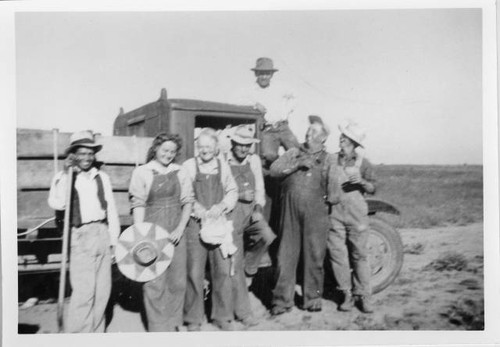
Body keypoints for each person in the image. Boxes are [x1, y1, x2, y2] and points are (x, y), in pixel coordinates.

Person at [48, 130, 120, 333]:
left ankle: (95, 334)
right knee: (84, 292)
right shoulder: (64, 176)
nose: (86, 158)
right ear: (73, 155)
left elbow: (111, 209)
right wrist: (66, 175)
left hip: (102, 232)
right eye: (81, 153)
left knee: (102, 291)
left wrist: (113, 241)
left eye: (90, 153)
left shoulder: (102, 177)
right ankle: (78, 336)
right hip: (80, 235)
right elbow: (58, 203)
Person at [269, 116, 340, 315]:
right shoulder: (293, 152)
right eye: (308, 131)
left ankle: (313, 299)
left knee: (315, 256)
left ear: (324, 138)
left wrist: (323, 202)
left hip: (316, 213)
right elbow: (274, 171)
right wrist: (297, 165)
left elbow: (334, 194)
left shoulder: (329, 159)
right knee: (285, 255)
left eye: (315, 132)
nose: (309, 134)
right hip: (289, 211)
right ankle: (282, 301)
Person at [128, 133, 193, 331]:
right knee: (154, 281)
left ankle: (174, 323)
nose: (168, 155)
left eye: (173, 151)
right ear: (155, 149)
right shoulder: (143, 172)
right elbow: (137, 204)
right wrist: (141, 235)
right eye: (165, 150)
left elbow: (188, 202)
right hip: (152, 232)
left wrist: (180, 228)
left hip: (176, 233)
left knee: (178, 281)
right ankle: (158, 327)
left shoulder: (180, 172)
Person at [182, 128, 239, 331]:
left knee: (222, 271)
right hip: (195, 225)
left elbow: (232, 191)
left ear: (216, 148)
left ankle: (222, 316)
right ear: (197, 147)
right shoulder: (189, 166)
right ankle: (193, 318)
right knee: (194, 271)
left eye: (209, 146)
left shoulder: (223, 166)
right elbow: (184, 192)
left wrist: (221, 206)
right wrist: (196, 207)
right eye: (201, 146)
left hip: (218, 225)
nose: (205, 150)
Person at [225, 125, 276, 325]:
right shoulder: (223, 160)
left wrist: (257, 209)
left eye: (247, 146)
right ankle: (244, 313)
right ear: (233, 143)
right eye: (240, 145)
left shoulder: (253, 160)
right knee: (234, 262)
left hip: (250, 213)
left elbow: (260, 189)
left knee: (266, 234)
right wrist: (238, 195)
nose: (244, 149)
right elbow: (219, 192)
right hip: (231, 215)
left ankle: (250, 267)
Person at [326, 121, 376, 314]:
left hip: (357, 215)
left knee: (359, 256)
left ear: (354, 142)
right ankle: (346, 295)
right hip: (335, 214)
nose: (341, 138)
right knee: (338, 256)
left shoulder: (364, 163)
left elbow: (373, 188)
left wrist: (362, 182)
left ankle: (364, 296)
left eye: (345, 137)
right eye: (341, 136)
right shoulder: (331, 160)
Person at [245, 57, 300, 168]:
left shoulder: (279, 87)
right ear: (256, 74)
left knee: (297, 152)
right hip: (267, 130)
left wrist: (286, 112)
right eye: (261, 73)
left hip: (283, 127)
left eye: (267, 74)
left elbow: (295, 96)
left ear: (271, 75)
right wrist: (254, 105)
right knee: (269, 156)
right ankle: (275, 177)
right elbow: (239, 100)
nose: (264, 77)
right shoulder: (251, 90)